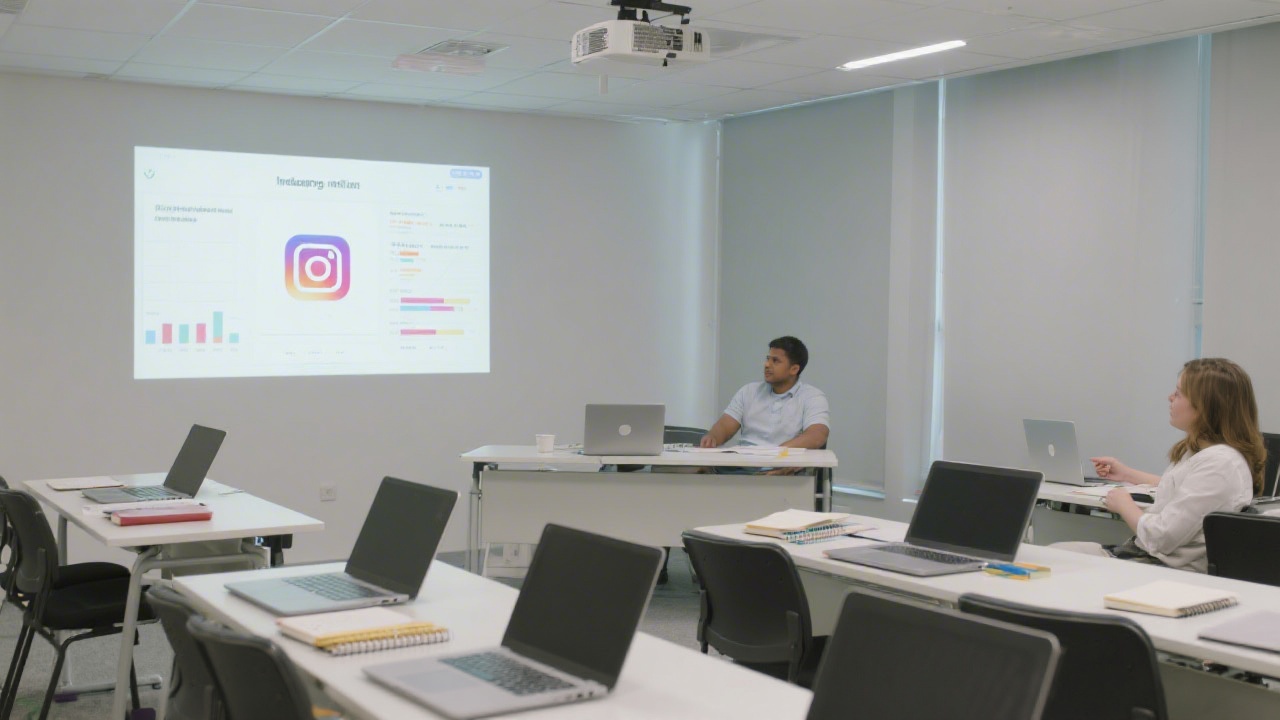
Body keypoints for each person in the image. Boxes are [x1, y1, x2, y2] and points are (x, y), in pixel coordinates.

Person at [1057, 358, 1263, 573]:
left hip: (1162, 570)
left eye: (1179, 393)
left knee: (1054, 561)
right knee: (1056, 555)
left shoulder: (1220, 464)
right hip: (1147, 559)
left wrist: (1124, 505)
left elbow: (1161, 538)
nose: (1170, 397)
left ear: (1205, 406)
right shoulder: (1205, 454)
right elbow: (1182, 487)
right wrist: (1126, 473)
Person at [700, 336, 830, 475]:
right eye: (768, 358)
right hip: (742, 467)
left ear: (794, 369)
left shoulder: (812, 397)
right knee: (700, 473)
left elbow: (817, 435)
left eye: (775, 361)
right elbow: (725, 426)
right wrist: (713, 436)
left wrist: (777, 456)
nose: (766, 364)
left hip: (781, 470)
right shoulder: (749, 391)